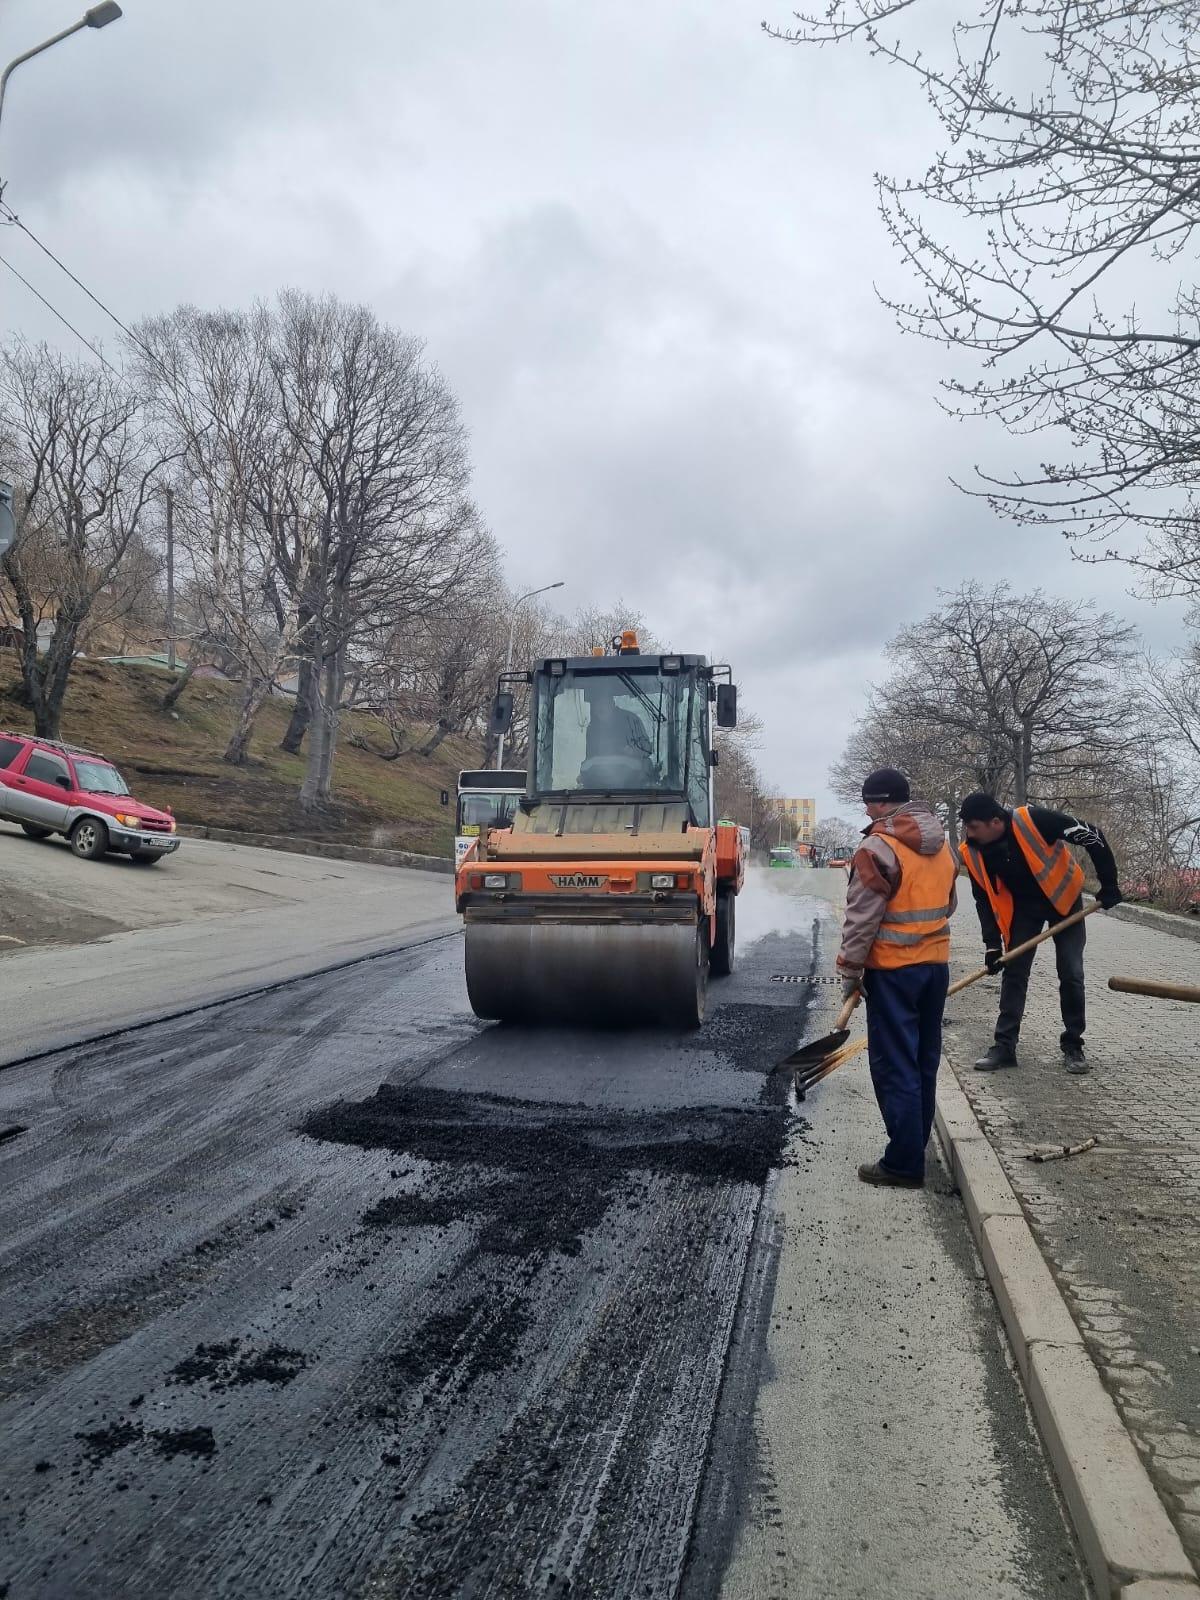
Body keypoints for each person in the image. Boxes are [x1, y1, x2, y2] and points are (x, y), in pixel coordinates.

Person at [836, 767, 958, 1189]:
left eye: (869, 801)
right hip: (935, 969)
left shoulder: (877, 847)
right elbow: (950, 904)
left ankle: (904, 1163)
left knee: (895, 1065)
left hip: (893, 973)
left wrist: (851, 971)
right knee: (924, 1061)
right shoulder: (943, 846)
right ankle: (915, 1146)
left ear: (882, 802)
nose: (866, 810)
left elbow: (861, 918)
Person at [958, 793, 1123, 1074]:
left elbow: (1092, 835)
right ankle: (1004, 1046)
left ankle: (1073, 1044)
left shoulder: (1033, 819)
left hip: (1064, 900)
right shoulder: (972, 851)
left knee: (1071, 972)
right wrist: (991, 945)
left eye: (973, 827)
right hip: (1025, 909)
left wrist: (1109, 885)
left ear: (995, 822)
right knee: (1014, 971)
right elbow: (983, 899)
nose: (968, 833)